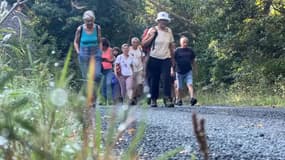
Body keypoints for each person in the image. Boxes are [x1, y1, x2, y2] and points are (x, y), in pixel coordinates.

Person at [142, 11, 175, 107]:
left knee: (166, 78)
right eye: (161, 20)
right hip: (154, 58)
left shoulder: (169, 31)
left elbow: (171, 45)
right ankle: (153, 99)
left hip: (166, 58)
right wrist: (152, 36)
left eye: (165, 21)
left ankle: (167, 98)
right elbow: (144, 44)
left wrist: (173, 59)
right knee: (154, 79)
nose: (163, 22)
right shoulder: (152, 30)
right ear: (158, 21)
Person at [74, 10, 102, 84]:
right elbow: (76, 42)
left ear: (93, 20)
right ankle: (89, 94)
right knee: (86, 77)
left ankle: (96, 90)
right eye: (87, 21)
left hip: (95, 53)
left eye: (91, 21)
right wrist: (78, 52)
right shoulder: (80, 29)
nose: (89, 23)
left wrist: (100, 51)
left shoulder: (97, 28)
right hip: (83, 53)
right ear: (84, 20)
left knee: (97, 75)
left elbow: (100, 41)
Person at [174, 36, 198, 106]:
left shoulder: (190, 50)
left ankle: (192, 98)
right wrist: (172, 69)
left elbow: (193, 60)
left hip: (188, 71)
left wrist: (195, 69)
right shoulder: (177, 50)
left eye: (186, 42)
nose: (185, 44)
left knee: (190, 84)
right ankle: (178, 99)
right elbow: (173, 61)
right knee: (179, 87)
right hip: (179, 72)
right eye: (184, 42)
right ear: (180, 43)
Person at [129, 37, 145, 105]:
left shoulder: (140, 49)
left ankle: (138, 97)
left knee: (139, 84)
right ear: (131, 43)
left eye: (136, 42)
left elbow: (143, 59)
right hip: (131, 69)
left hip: (140, 68)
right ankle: (133, 98)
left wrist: (144, 68)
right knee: (133, 85)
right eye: (134, 42)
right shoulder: (129, 49)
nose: (135, 43)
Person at [100, 38, 115, 105]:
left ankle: (110, 100)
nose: (102, 47)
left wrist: (107, 60)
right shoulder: (98, 51)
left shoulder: (110, 50)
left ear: (106, 45)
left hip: (109, 69)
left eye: (103, 46)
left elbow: (112, 60)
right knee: (102, 85)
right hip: (101, 69)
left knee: (108, 84)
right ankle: (103, 100)